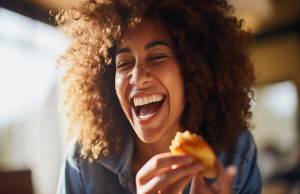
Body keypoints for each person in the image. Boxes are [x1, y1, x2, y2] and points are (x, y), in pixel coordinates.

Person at [56, 0, 262, 193]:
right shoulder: (83, 161)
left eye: (157, 57)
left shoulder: (236, 151)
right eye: (124, 64)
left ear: (193, 69)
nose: (137, 78)